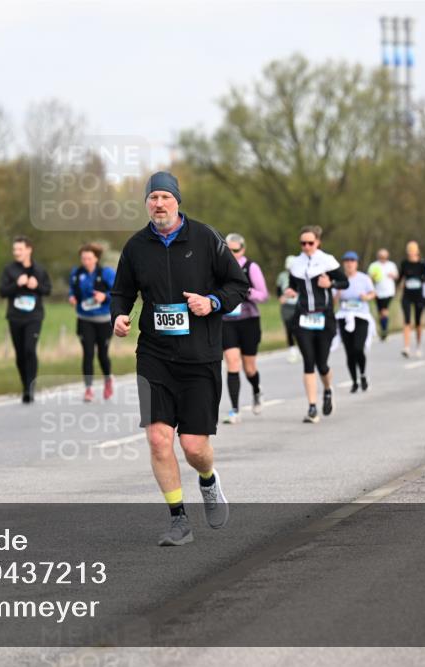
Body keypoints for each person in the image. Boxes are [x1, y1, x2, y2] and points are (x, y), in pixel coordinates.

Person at [110, 171, 248, 546]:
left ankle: (207, 480)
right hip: (154, 355)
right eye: (152, 197)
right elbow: (121, 292)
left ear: (177, 201)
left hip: (199, 356)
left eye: (165, 197)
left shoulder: (205, 238)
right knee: (158, 439)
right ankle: (178, 520)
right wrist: (119, 316)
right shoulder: (136, 247)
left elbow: (238, 285)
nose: (158, 204)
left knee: (194, 447)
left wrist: (212, 302)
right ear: (146, 203)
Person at [284, 226, 349, 424]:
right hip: (303, 318)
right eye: (302, 243)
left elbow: (344, 282)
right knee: (308, 362)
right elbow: (293, 286)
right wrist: (290, 291)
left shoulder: (327, 261)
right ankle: (312, 407)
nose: (306, 247)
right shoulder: (296, 264)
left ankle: (328, 390)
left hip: (324, 318)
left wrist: (331, 285)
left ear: (317, 242)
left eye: (310, 243)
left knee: (322, 364)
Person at [220, 233, 268, 423]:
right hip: (227, 320)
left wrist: (245, 291)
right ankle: (234, 410)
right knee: (232, 362)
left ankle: (256, 390)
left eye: (236, 250)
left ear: (243, 250)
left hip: (249, 321)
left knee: (249, 368)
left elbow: (264, 295)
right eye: (228, 250)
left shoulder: (251, 267)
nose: (232, 254)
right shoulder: (220, 267)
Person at [0, 236, 52, 404]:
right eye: (15, 250)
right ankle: (24, 385)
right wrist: (17, 284)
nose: (16, 253)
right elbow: (2, 291)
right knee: (20, 353)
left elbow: (47, 290)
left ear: (29, 249)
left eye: (20, 249)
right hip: (15, 317)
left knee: (30, 349)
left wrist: (37, 286)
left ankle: (30, 388)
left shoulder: (39, 270)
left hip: (34, 317)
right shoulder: (9, 270)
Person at [68, 243, 116, 402]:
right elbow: (72, 290)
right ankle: (88, 388)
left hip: (103, 320)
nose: (86, 261)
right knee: (88, 353)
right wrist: (72, 298)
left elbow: (118, 291)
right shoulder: (76, 273)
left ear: (96, 258)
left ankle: (108, 379)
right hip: (84, 319)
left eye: (89, 258)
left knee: (103, 354)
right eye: (83, 258)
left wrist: (105, 297)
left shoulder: (106, 273)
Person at [333, 251, 376, 393]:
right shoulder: (339, 279)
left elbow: (373, 293)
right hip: (344, 316)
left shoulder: (364, 278)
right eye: (346, 261)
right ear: (343, 263)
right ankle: (354, 381)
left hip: (361, 316)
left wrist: (366, 297)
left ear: (356, 263)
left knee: (358, 348)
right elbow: (333, 301)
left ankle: (363, 374)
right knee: (349, 352)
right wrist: (338, 293)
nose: (349, 263)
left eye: (352, 260)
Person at [398, 241, 425, 358]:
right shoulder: (404, 263)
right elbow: (400, 277)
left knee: (417, 322)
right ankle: (406, 347)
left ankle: (418, 346)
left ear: (417, 252)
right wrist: (399, 283)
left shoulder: (422, 264)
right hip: (407, 295)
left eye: (413, 251)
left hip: (418, 296)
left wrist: (419, 278)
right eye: (409, 251)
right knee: (406, 320)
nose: (411, 253)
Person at [367, 248, 398, 341]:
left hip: (389, 292)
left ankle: (384, 330)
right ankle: (383, 329)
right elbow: (368, 278)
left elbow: (397, 276)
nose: (383, 258)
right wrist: (373, 276)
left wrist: (393, 275)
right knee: (380, 312)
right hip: (377, 292)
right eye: (381, 256)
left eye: (384, 256)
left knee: (384, 310)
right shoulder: (373, 265)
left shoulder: (391, 265)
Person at [275, 256, 301, 364]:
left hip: (298, 305)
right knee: (289, 328)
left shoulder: (300, 275)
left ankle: (302, 349)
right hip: (286, 306)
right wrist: (280, 297)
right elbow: (278, 290)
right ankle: (292, 350)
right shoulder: (282, 276)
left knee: (299, 328)